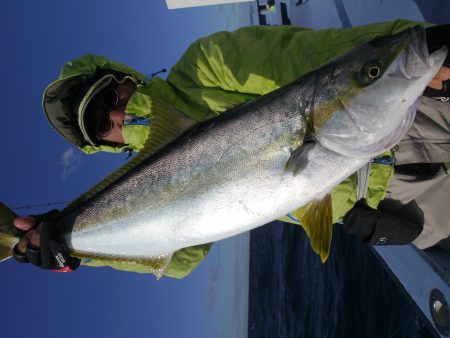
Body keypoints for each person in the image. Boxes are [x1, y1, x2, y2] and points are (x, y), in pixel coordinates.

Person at [6, 20, 450, 278]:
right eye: (101, 126)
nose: (117, 117)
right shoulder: (137, 184)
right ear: (101, 145)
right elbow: (182, 257)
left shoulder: (204, 64)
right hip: (393, 205)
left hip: (411, 119)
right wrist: (70, 246)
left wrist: (419, 44)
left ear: (124, 77)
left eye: (108, 98)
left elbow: (322, 60)